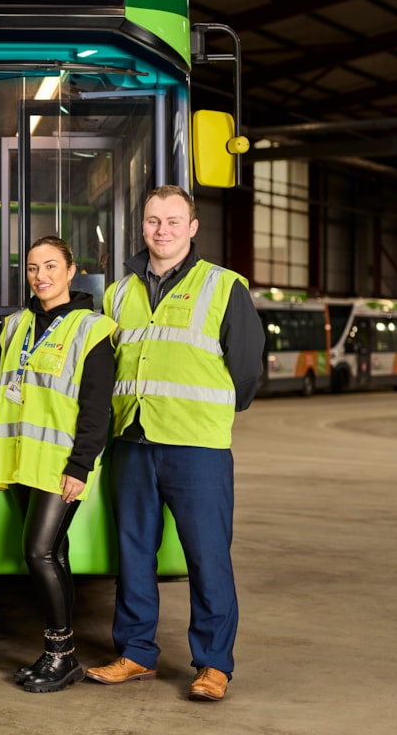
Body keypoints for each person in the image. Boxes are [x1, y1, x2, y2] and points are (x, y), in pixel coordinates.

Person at [85, 185, 264, 702]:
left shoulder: (224, 286)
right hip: (133, 440)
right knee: (133, 554)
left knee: (208, 556)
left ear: (192, 227)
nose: (161, 230)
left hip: (197, 447)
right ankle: (136, 653)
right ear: (142, 226)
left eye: (172, 220)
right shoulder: (119, 293)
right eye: (152, 220)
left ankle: (213, 664)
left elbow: (247, 369)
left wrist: (208, 413)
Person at [0, 235, 117, 693]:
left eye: (50, 266)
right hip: (24, 460)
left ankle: (60, 653)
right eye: (31, 268)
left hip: (61, 464)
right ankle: (61, 656)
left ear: (71, 271)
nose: (40, 276)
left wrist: (80, 466)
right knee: (56, 552)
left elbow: (96, 408)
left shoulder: (93, 329)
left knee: (38, 551)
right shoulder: (14, 325)